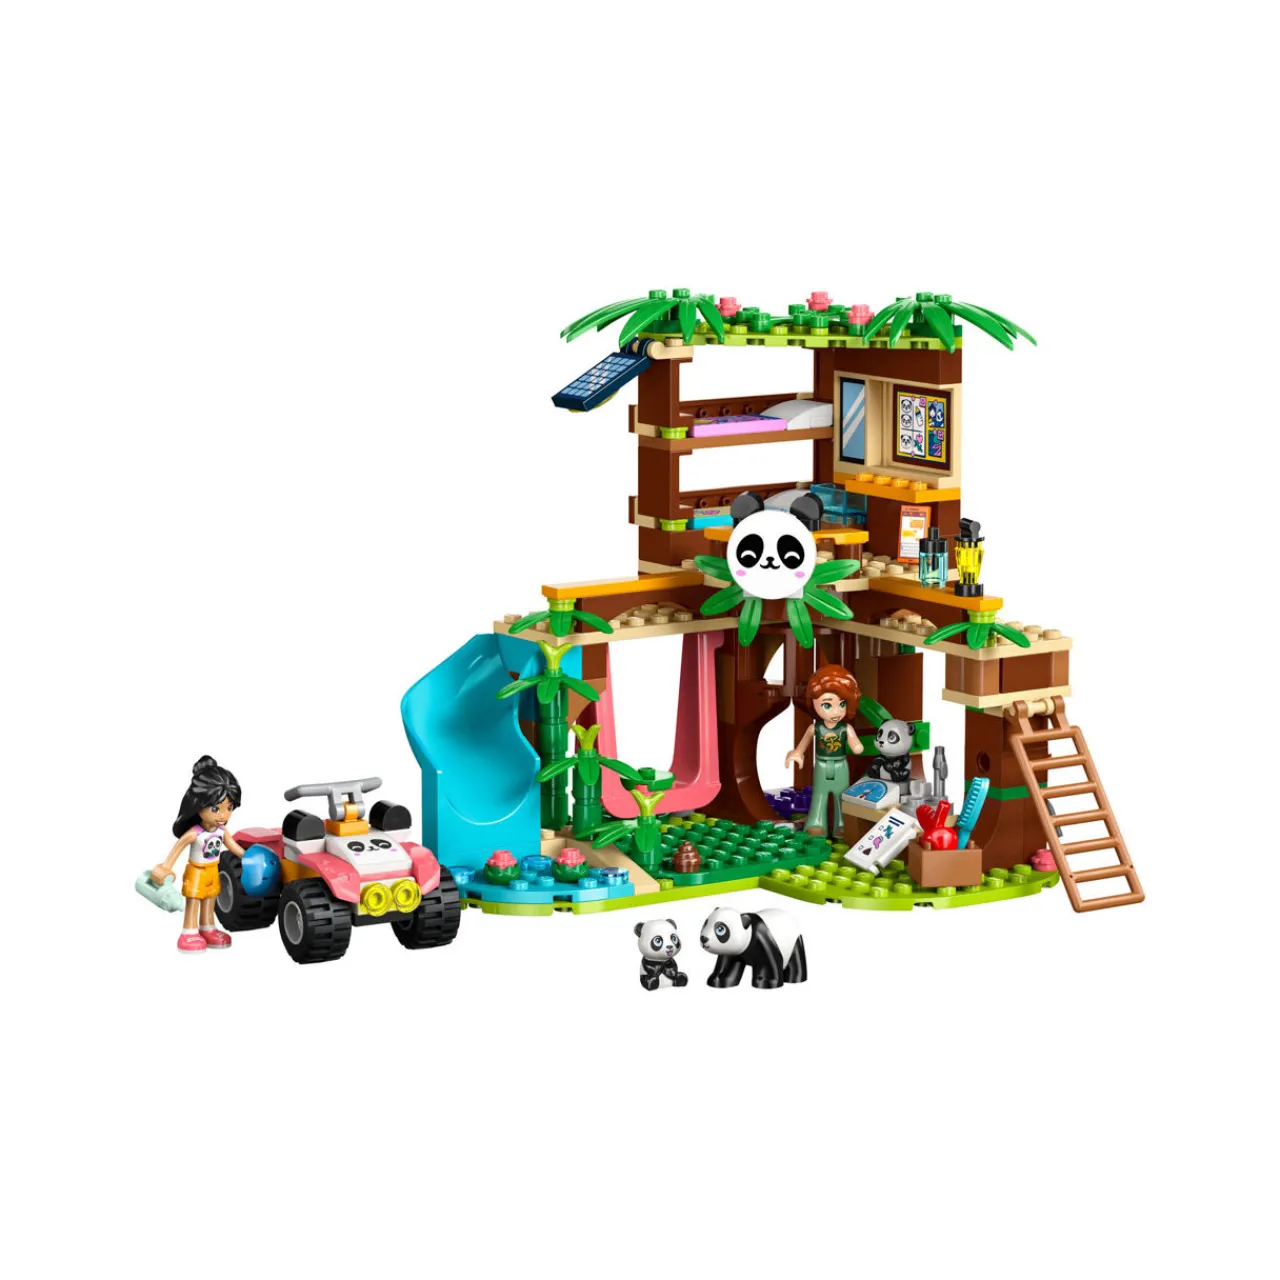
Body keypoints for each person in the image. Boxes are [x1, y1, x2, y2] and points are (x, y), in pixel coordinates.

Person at [151, 756, 246, 953]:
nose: (223, 815)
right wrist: (165, 868)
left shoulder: (221, 831)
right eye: (216, 808)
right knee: (193, 900)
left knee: (210, 899)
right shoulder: (194, 833)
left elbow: (233, 846)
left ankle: (208, 928)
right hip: (196, 872)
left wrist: (247, 857)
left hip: (213, 870)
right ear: (198, 804)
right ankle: (189, 931)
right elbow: (177, 849)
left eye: (229, 808)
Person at [785, 665, 864, 838]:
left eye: (842, 704)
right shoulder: (815, 728)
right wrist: (797, 753)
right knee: (819, 796)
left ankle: (841, 824)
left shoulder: (845, 728)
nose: (836, 711)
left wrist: (857, 746)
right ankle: (816, 823)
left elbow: (856, 743)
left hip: (840, 766)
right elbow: (803, 744)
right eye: (827, 705)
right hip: (821, 765)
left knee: (841, 796)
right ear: (814, 702)